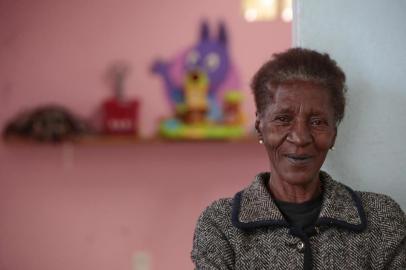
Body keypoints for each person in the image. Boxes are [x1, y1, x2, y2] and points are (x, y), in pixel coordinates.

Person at [191, 48, 406, 270]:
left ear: (334, 133)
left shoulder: (382, 221)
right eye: (283, 119)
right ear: (260, 127)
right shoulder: (221, 225)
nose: (301, 138)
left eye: (317, 122)